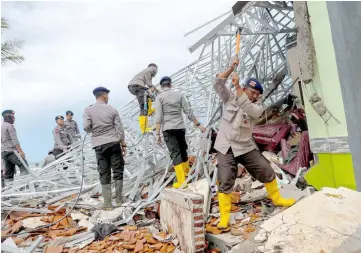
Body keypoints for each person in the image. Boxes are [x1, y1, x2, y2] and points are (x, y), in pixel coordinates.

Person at [213, 56, 295, 229]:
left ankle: (277, 198)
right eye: (252, 92)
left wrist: (237, 87)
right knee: (226, 178)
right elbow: (218, 83)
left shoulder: (257, 106)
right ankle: (224, 218)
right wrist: (230, 68)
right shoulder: (230, 97)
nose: (255, 96)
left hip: (245, 145)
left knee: (265, 169)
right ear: (245, 88)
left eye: (257, 94)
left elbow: (252, 111)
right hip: (226, 145)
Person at [155, 76, 206, 188]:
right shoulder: (179, 95)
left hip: (168, 128)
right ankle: (187, 175)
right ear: (171, 85)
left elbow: (158, 117)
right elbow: (188, 111)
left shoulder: (159, 97)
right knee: (183, 150)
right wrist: (198, 125)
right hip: (180, 127)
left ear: (161, 86)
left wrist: (157, 133)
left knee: (175, 153)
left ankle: (182, 182)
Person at [83, 86, 127, 210]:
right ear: (104, 96)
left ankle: (107, 204)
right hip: (114, 143)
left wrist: (95, 129)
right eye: (107, 95)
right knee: (118, 170)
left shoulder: (88, 110)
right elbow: (120, 129)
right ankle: (118, 200)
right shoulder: (112, 110)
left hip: (99, 145)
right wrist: (123, 144)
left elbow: (86, 127)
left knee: (104, 172)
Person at [128, 63, 158, 133]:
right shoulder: (152, 68)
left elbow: (149, 87)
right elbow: (149, 82)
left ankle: (149, 110)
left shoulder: (144, 72)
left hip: (135, 86)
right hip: (137, 86)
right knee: (143, 107)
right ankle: (144, 129)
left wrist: (154, 89)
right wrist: (151, 87)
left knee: (148, 94)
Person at [1, 110, 29, 182]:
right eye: (13, 117)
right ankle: (26, 185)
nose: (14, 118)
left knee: (9, 172)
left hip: (4, 152)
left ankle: (8, 190)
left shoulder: (2, 126)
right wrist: (21, 151)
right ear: (8, 117)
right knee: (24, 165)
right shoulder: (10, 126)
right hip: (11, 151)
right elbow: (14, 140)